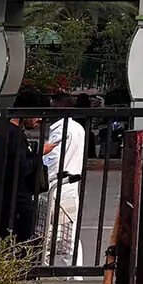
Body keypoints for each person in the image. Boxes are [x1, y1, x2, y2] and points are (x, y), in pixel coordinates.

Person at [0, 89, 46, 243]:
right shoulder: (11, 134)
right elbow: (19, 167)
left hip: (8, 203)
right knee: (16, 247)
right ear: (27, 112)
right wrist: (38, 155)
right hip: (12, 206)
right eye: (37, 115)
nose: (39, 120)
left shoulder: (6, 130)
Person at [40, 92, 87, 268]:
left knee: (51, 233)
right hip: (70, 187)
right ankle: (74, 273)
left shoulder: (61, 130)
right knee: (69, 235)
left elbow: (52, 161)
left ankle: (46, 268)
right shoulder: (77, 128)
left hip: (56, 188)